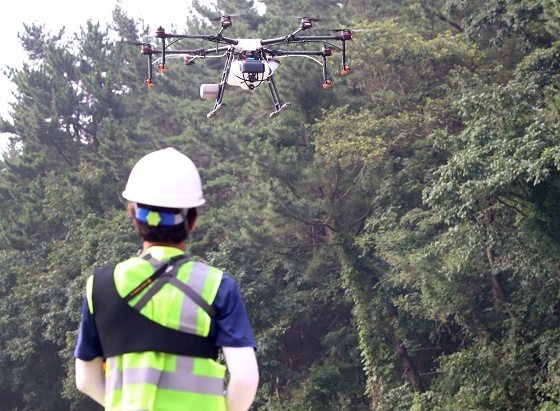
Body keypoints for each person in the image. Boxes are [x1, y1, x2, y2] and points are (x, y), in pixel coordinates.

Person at [74, 147, 259, 411]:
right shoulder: (218, 286)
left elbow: (85, 379)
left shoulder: (100, 286)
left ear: (132, 215)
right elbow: (245, 379)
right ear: (193, 219)